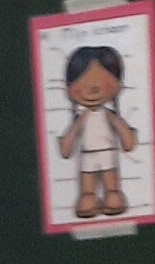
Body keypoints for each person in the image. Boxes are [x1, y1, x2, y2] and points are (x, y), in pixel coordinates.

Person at [56, 44, 137, 221]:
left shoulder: (108, 115)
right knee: (87, 188)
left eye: (103, 84)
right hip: (87, 155)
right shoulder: (81, 119)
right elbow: (71, 135)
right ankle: (88, 199)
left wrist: (128, 139)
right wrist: (66, 146)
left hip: (107, 153)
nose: (93, 89)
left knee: (111, 184)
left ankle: (112, 196)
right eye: (84, 84)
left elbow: (122, 130)